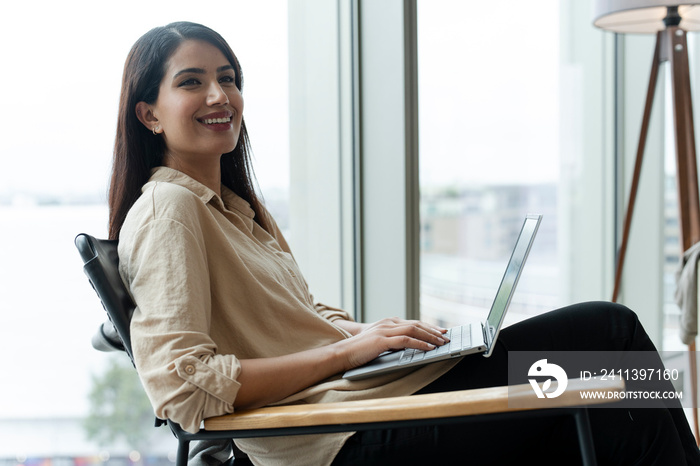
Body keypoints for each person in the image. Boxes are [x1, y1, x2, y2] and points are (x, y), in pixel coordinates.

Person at [109, 21, 699, 465]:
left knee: (623, 415)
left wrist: (371, 337)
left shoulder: (237, 209)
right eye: (192, 83)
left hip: (369, 401)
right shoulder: (171, 210)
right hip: (340, 439)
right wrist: (348, 354)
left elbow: (299, 317)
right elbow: (183, 390)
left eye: (228, 79)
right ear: (150, 114)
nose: (220, 96)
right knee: (609, 335)